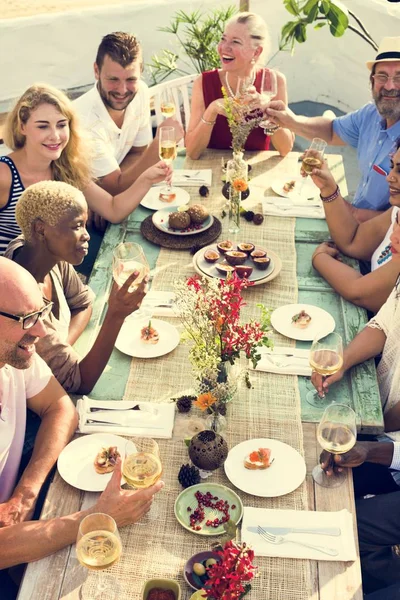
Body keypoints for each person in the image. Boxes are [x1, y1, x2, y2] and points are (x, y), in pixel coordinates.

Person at [0, 257, 163, 598]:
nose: (42, 331)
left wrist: (25, 493)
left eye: (41, 312)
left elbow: (60, 406)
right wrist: (98, 517)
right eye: (27, 319)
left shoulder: (13, 354)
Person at [4, 180, 148, 394]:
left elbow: (83, 304)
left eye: (85, 224)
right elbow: (80, 383)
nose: (87, 234)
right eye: (76, 226)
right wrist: (115, 315)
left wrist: (62, 348)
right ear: (40, 229)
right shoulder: (22, 306)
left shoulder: (47, 253)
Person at [0, 83, 172, 255]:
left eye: (61, 125)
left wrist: (147, 178)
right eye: (43, 126)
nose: (55, 136)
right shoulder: (4, 174)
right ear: (22, 127)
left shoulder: (64, 168)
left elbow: (113, 209)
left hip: (52, 269)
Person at [266, 36, 400, 222]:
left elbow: (394, 221)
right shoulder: (371, 113)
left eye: (399, 77)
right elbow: (331, 130)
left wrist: (333, 197)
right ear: (372, 81)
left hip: (383, 239)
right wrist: (291, 120)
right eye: (382, 76)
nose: (390, 86)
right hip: (354, 215)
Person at [74, 31, 184, 195]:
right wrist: (160, 144)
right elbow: (117, 187)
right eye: (113, 79)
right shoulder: (84, 121)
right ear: (96, 71)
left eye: (131, 80)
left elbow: (137, 153)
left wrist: (112, 184)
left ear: (141, 71)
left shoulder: (140, 93)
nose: (122, 90)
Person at [185, 12, 294, 159]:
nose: (224, 47)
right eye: (223, 39)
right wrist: (212, 109)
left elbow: (285, 149)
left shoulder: (274, 81)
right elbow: (192, 152)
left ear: (256, 51)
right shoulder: (204, 82)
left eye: (235, 42)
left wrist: (269, 109)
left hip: (254, 174)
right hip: (210, 172)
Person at [308, 139, 400, 313]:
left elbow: (358, 292)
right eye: (392, 166)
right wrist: (328, 188)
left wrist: (319, 257)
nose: (390, 177)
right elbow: (353, 241)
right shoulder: (397, 211)